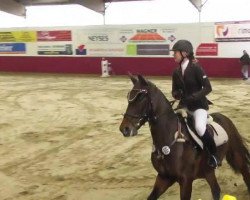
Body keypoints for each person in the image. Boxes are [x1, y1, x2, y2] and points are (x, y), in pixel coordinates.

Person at [170, 39, 219, 168]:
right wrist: (176, 94)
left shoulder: (196, 68)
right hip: (184, 106)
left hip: (199, 106)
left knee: (199, 128)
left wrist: (194, 97)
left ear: (185, 53)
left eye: (176, 52)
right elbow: (174, 90)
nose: (173, 54)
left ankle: (214, 154)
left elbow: (208, 88)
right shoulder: (176, 72)